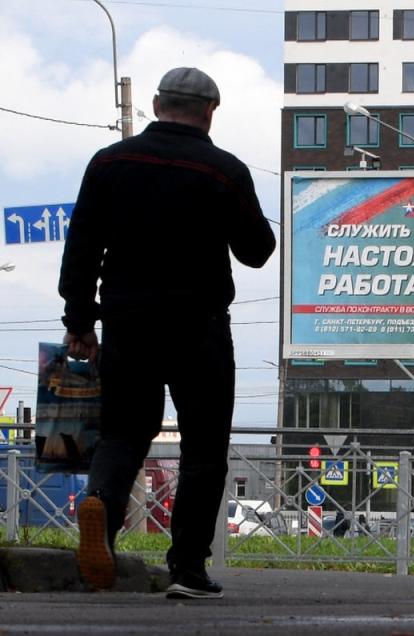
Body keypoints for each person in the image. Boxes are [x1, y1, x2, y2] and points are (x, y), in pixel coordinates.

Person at [58, 67, 276, 599]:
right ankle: (187, 569)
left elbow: (81, 247)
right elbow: (257, 250)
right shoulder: (224, 172)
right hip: (198, 327)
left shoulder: (109, 163)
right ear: (210, 112)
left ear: (157, 103)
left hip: (128, 323)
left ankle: (102, 522)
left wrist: (80, 322)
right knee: (204, 448)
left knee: (123, 435)